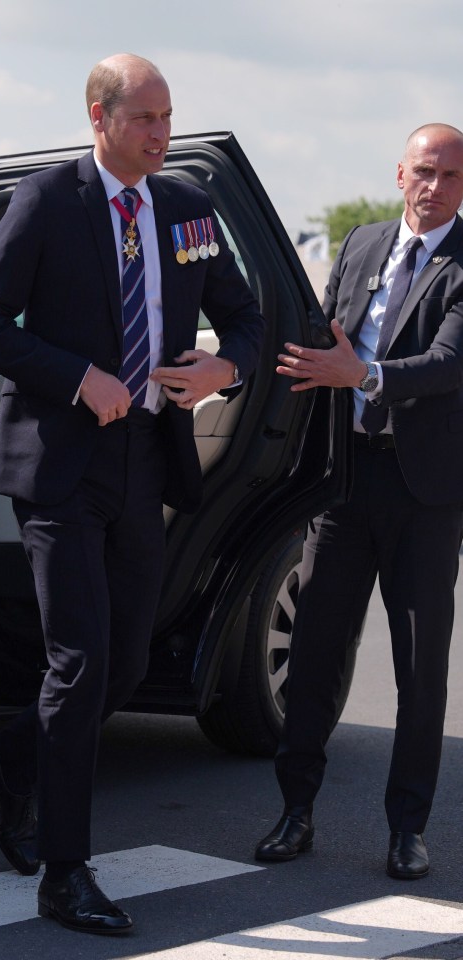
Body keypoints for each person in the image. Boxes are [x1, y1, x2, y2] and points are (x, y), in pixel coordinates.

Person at [0, 53, 265, 933]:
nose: (163, 135)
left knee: (126, 662)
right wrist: (78, 377)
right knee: (80, 661)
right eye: (146, 120)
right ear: (99, 118)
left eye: (169, 118)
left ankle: (14, 763)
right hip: (59, 467)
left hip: (143, 461)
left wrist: (223, 365)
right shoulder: (49, 202)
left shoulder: (188, 210)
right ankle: (65, 871)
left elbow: (245, 317)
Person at [255, 123, 463, 880]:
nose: (433, 186)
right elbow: (322, 339)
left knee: (420, 670)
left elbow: (445, 363)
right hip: (343, 485)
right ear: (399, 173)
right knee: (313, 650)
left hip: (426, 495)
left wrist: (364, 377)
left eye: (448, 175)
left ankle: (407, 829)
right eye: (422, 171)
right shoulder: (363, 244)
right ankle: (294, 811)